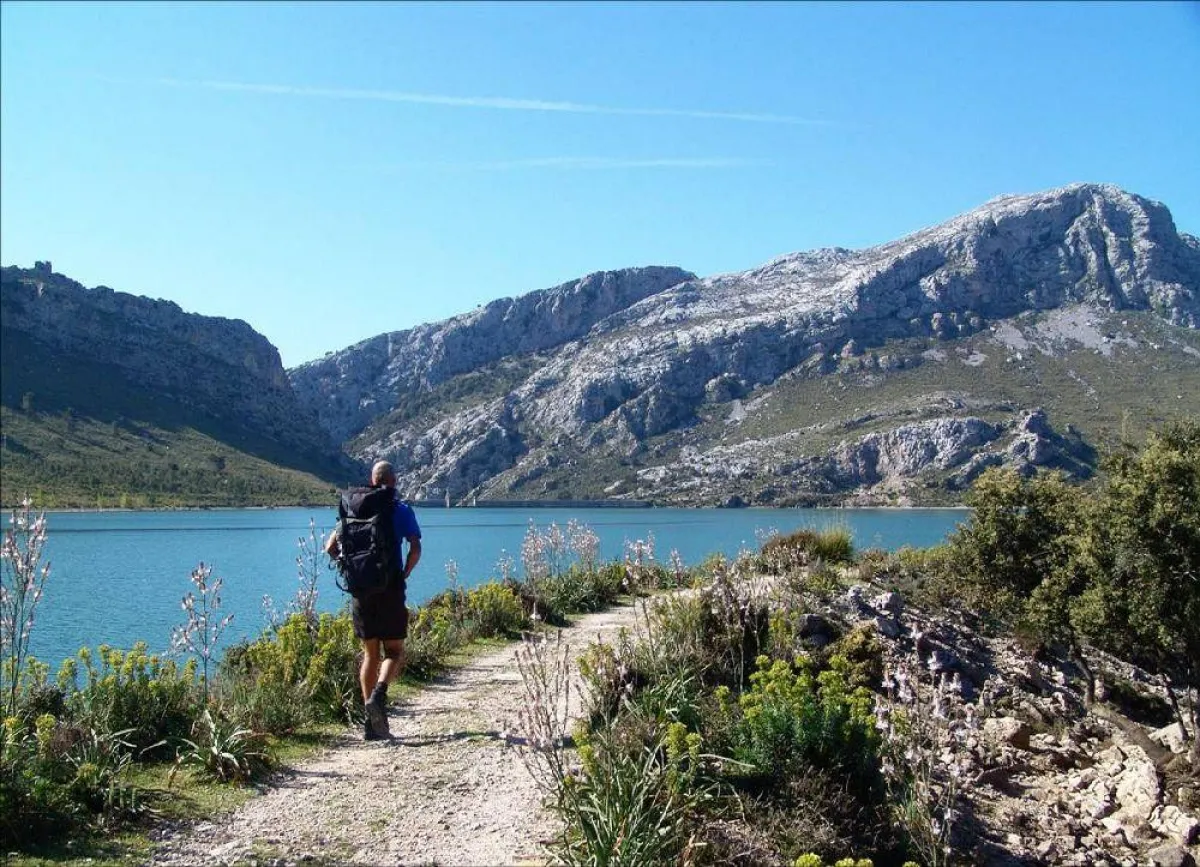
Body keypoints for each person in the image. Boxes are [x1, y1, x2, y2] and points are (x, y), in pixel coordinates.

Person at [325, 460, 422, 740]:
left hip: (360, 589)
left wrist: (350, 568)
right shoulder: (399, 508)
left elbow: (330, 547)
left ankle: (371, 724)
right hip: (390, 586)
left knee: (370, 654)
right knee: (393, 651)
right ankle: (379, 696)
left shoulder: (353, 506)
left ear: (372, 478)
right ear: (393, 480)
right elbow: (415, 547)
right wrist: (404, 573)